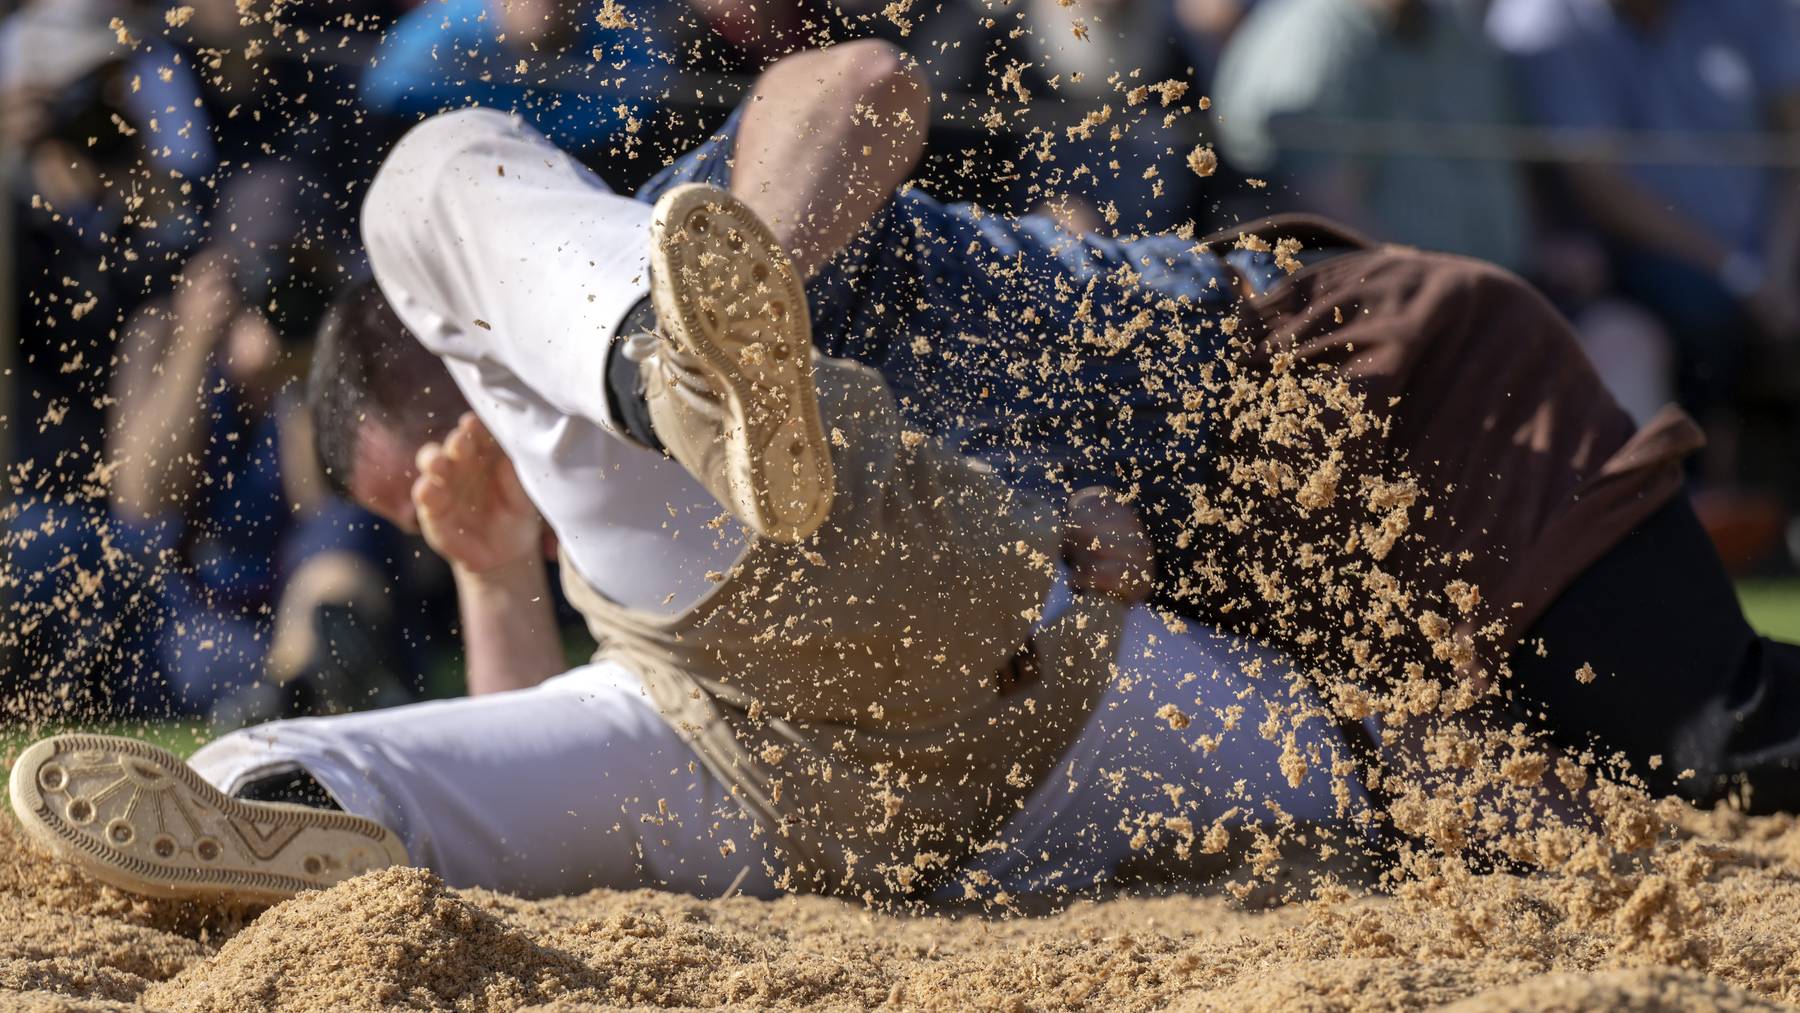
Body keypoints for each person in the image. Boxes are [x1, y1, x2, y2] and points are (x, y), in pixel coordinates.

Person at [13, 38, 1800, 906]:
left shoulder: (684, 222)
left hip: (1356, 405)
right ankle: (273, 787)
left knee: (1700, 754)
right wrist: (491, 580)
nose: (438, 507)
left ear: (475, 378)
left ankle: (674, 367)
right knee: (1452, 793)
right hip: (956, 696)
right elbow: (592, 770)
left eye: (428, 476)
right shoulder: (615, 559)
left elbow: (857, 75)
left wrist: (748, 301)